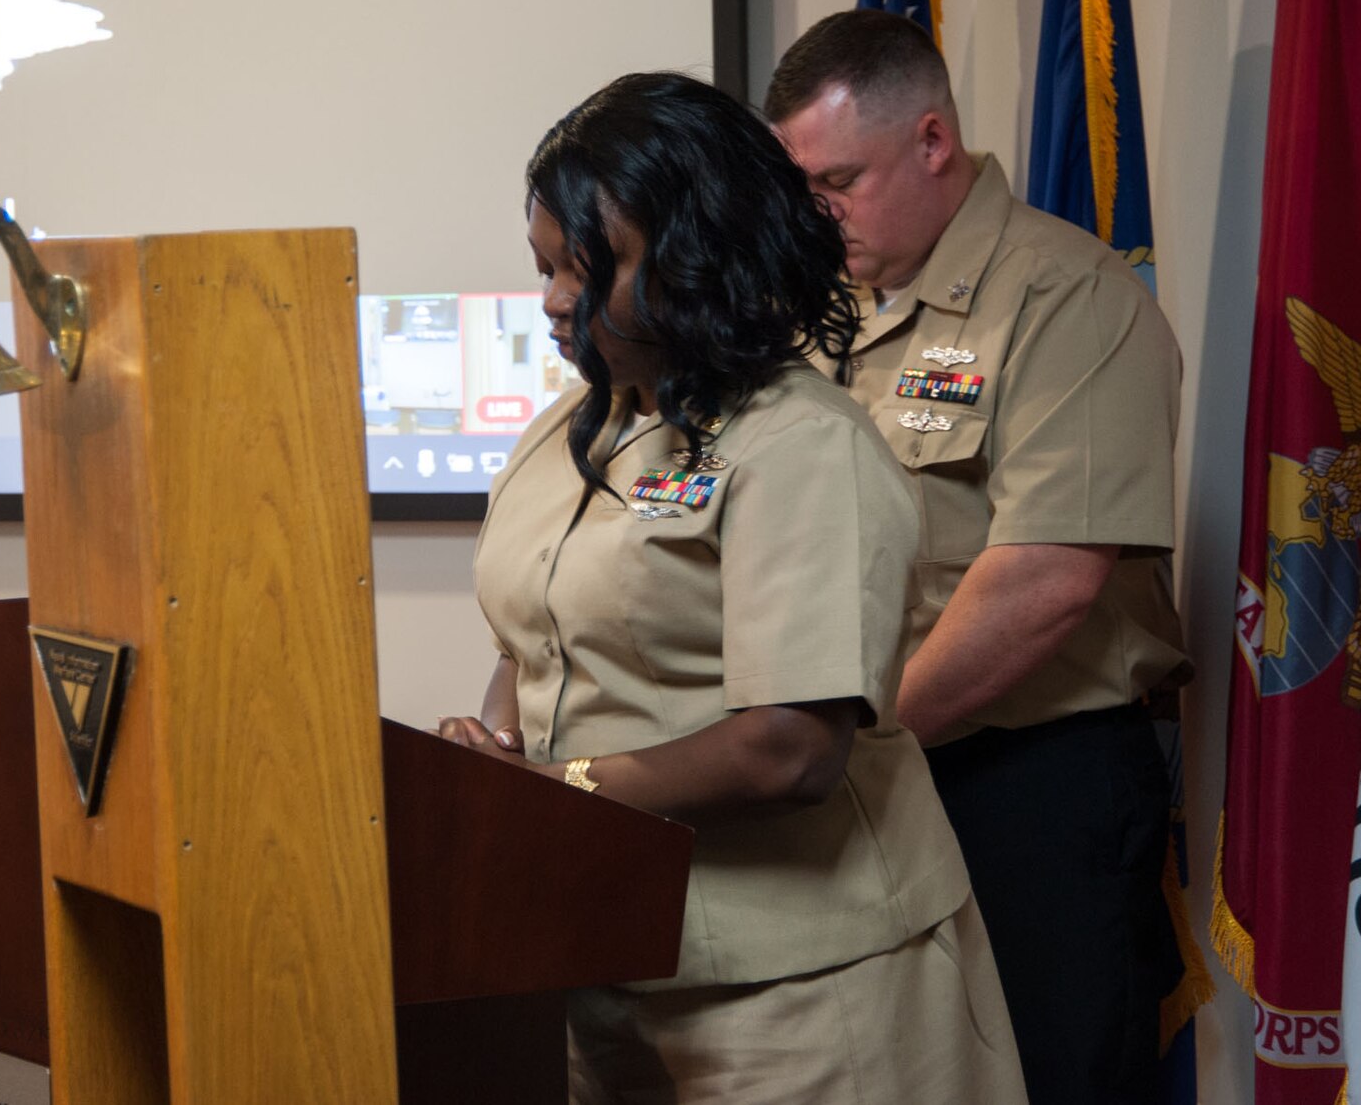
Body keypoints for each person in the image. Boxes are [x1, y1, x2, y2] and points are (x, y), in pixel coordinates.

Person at [438, 71, 1026, 1104]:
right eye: (542, 268)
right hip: (596, 956)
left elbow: (788, 749)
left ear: (694, 255)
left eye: (582, 268)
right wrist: (496, 763)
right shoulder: (574, 428)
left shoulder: (801, 444)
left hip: (791, 989)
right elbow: (533, 640)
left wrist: (560, 789)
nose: (555, 302)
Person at [767, 9, 1190, 1105]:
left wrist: (855, 745)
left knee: (1053, 1077)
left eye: (836, 180)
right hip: (868, 771)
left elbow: (1045, 582)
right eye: (797, 187)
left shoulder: (1066, 296)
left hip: (1026, 781)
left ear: (930, 140)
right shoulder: (823, 315)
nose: (815, 214)